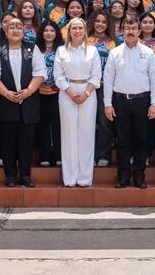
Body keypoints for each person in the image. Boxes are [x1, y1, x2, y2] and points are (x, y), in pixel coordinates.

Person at [0, 14, 46, 187]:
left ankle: (25, 176)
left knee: (27, 141)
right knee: (7, 141)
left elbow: (40, 72)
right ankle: (10, 176)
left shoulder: (32, 48)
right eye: (11, 27)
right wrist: (6, 93)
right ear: (5, 30)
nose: (15, 30)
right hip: (5, 102)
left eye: (19, 27)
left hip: (29, 102)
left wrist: (28, 91)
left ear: (24, 31)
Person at [103, 16, 155, 189]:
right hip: (120, 101)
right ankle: (123, 176)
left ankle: (139, 177)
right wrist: (107, 104)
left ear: (139, 31)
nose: (130, 31)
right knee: (123, 141)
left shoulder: (148, 52)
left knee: (141, 141)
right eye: (127, 28)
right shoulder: (114, 52)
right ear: (122, 31)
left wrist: (154, 104)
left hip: (142, 101)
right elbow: (108, 79)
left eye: (134, 28)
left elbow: (154, 79)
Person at [54, 18, 101, 187]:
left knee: (86, 134)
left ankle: (85, 177)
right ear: (69, 31)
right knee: (69, 135)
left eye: (80, 28)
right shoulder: (61, 50)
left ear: (85, 31)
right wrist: (71, 92)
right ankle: (70, 177)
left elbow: (96, 75)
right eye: (74, 28)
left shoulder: (92, 50)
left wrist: (86, 93)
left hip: (88, 93)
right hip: (67, 93)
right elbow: (58, 75)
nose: (77, 31)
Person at [88, 10, 117, 167]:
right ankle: (90, 155)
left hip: (106, 87)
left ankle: (104, 155)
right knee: (89, 122)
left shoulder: (113, 41)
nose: (100, 24)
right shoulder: (85, 40)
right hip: (88, 87)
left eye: (104, 22)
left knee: (105, 122)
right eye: (97, 21)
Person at [36, 21, 64, 167]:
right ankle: (45, 156)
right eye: (46, 30)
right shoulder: (35, 49)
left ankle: (59, 155)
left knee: (58, 125)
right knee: (43, 126)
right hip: (39, 92)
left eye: (52, 30)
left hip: (58, 93)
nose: (49, 33)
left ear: (56, 33)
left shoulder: (63, 49)